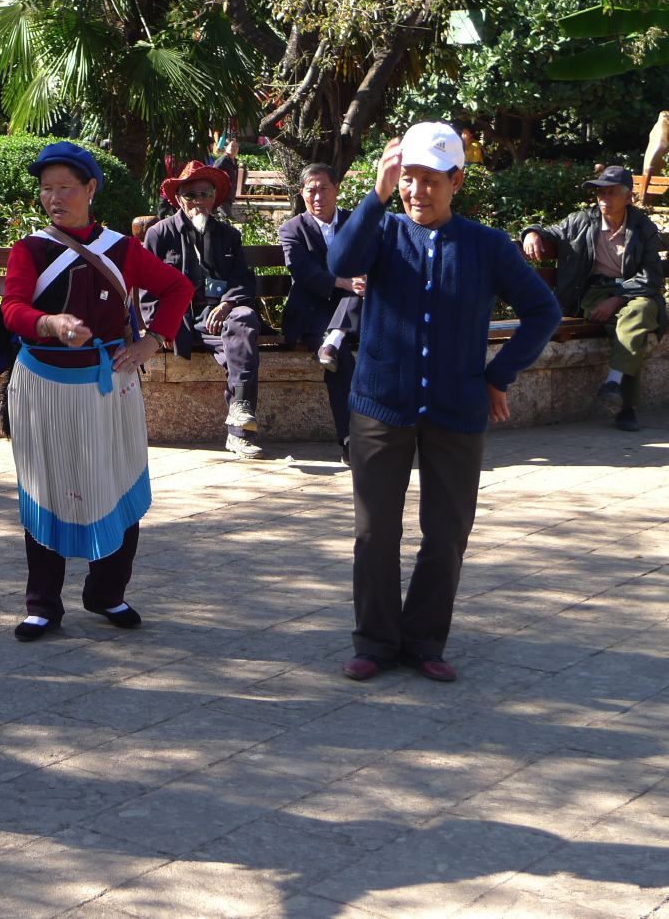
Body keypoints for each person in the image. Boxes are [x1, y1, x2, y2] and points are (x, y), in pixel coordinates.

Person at [329, 122, 560, 684]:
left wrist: (498, 375)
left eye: (430, 180)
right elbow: (340, 260)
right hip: (381, 405)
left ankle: (425, 640)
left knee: (448, 531)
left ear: (456, 180)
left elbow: (542, 310)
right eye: (409, 179)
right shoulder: (382, 232)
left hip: (457, 408)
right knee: (374, 530)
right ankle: (376, 641)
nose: (417, 191)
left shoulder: (486, 245)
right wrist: (375, 193)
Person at [0, 141, 193, 641]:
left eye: (65, 188)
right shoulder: (30, 249)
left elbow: (177, 289)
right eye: (46, 189)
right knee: (46, 487)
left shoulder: (122, 250)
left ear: (90, 189)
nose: (54, 197)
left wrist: (152, 341)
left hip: (108, 383)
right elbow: (12, 309)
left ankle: (107, 593)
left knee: (118, 480)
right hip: (43, 383)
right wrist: (51, 323)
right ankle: (42, 605)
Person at [521, 165, 665, 432]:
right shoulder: (581, 221)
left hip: (635, 292)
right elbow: (550, 231)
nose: (603, 200)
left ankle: (614, 383)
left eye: (611, 194)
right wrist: (531, 232)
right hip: (593, 293)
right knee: (635, 327)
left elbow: (652, 277)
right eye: (600, 194)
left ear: (628, 197)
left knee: (639, 312)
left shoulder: (641, 227)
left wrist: (617, 299)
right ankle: (626, 407)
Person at [143, 160, 264, 459]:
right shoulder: (159, 234)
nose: (198, 202)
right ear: (179, 199)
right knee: (238, 352)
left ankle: (240, 419)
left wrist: (227, 303)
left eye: (205, 194)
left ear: (214, 198)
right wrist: (161, 328)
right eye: (191, 195)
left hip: (220, 315)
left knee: (244, 321)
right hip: (181, 319)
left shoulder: (228, 236)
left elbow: (242, 280)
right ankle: (240, 429)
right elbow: (147, 290)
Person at [279, 163, 364, 462]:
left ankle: (336, 337)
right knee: (340, 361)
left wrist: (359, 282)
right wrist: (344, 282)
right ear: (302, 193)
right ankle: (351, 440)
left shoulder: (356, 224)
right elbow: (303, 273)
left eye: (323, 188)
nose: (317, 196)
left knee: (361, 295)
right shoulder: (292, 229)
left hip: (356, 310)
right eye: (310, 190)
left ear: (336, 188)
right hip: (312, 313)